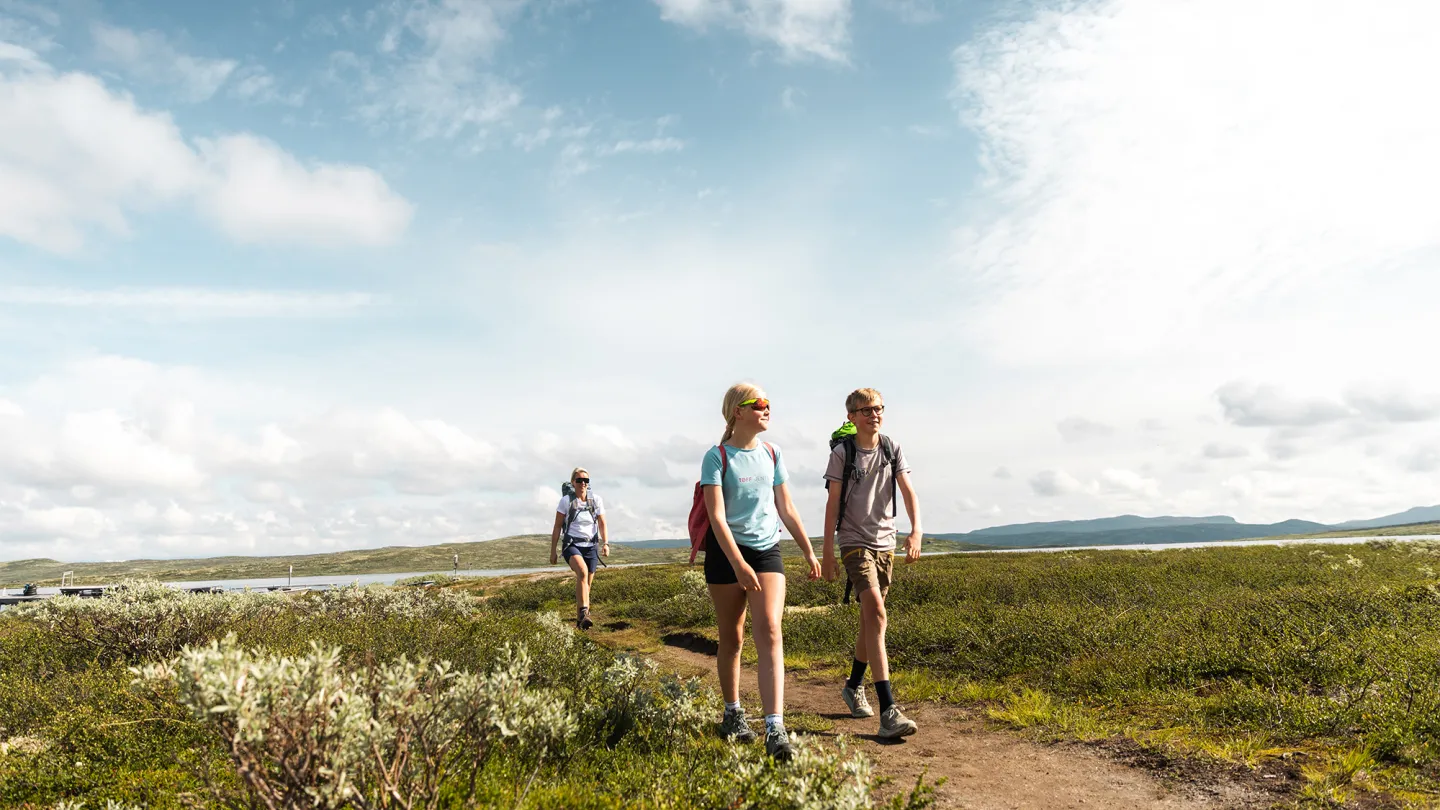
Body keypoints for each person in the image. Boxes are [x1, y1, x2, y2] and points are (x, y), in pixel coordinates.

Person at [701, 382, 821, 761]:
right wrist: (738, 563)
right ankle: (733, 714)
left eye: (769, 404)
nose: (768, 409)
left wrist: (808, 550)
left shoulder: (773, 452)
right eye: (760, 404)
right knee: (732, 638)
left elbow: (786, 507)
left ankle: (774, 727)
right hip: (726, 555)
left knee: (770, 628)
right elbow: (716, 517)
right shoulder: (717, 457)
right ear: (738, 411)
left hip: (767, 550)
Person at [821, 388, 922, 739]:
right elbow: (832, 503)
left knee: (871, 621)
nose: (873, 415)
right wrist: (829, 552)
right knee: (877, 613)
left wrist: (916, 531)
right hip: (853, 542)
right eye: (865, 410)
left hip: (886, 543)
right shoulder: (842, 453)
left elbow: (908, 491)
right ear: (851, 417)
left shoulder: (892, 448)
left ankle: (852, 685)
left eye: (877, 409)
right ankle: (888, 710)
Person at [550, 467, 609, 629]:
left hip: (591, 546)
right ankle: (584, 612)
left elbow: (602, 523)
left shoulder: (596, 500)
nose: (583, 483)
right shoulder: (565, 502)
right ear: (573, 483)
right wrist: (553, 551)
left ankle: (580, 622)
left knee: (586, 585)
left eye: (586, 480)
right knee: (582, 572)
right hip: (572, 545)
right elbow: (557, 527)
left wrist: (606, 543)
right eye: (579, 480)